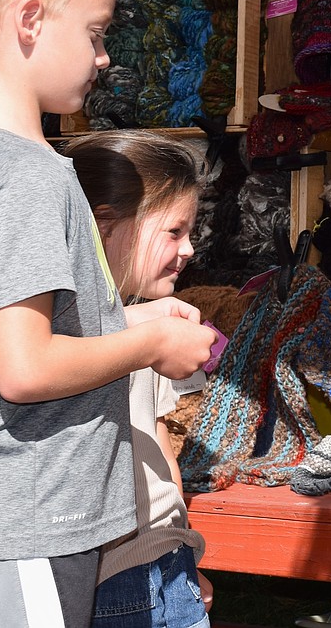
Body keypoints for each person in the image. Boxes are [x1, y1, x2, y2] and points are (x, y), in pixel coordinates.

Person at [0, 0, 215, 628]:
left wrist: (136, 314)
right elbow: (23, 367)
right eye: (95, 32)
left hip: (12, 516)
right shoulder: (30, 173)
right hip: (30, 516)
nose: (106, 57)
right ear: (28, 22)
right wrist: (148, 342)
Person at [61, 130, 214, 627]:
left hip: (165, 561)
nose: (189, 248)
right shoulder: (71, 336)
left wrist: (183, 548)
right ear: (106, 227)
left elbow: (160, 443)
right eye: (174, 232)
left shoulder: (148, 321)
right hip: (116, 575)